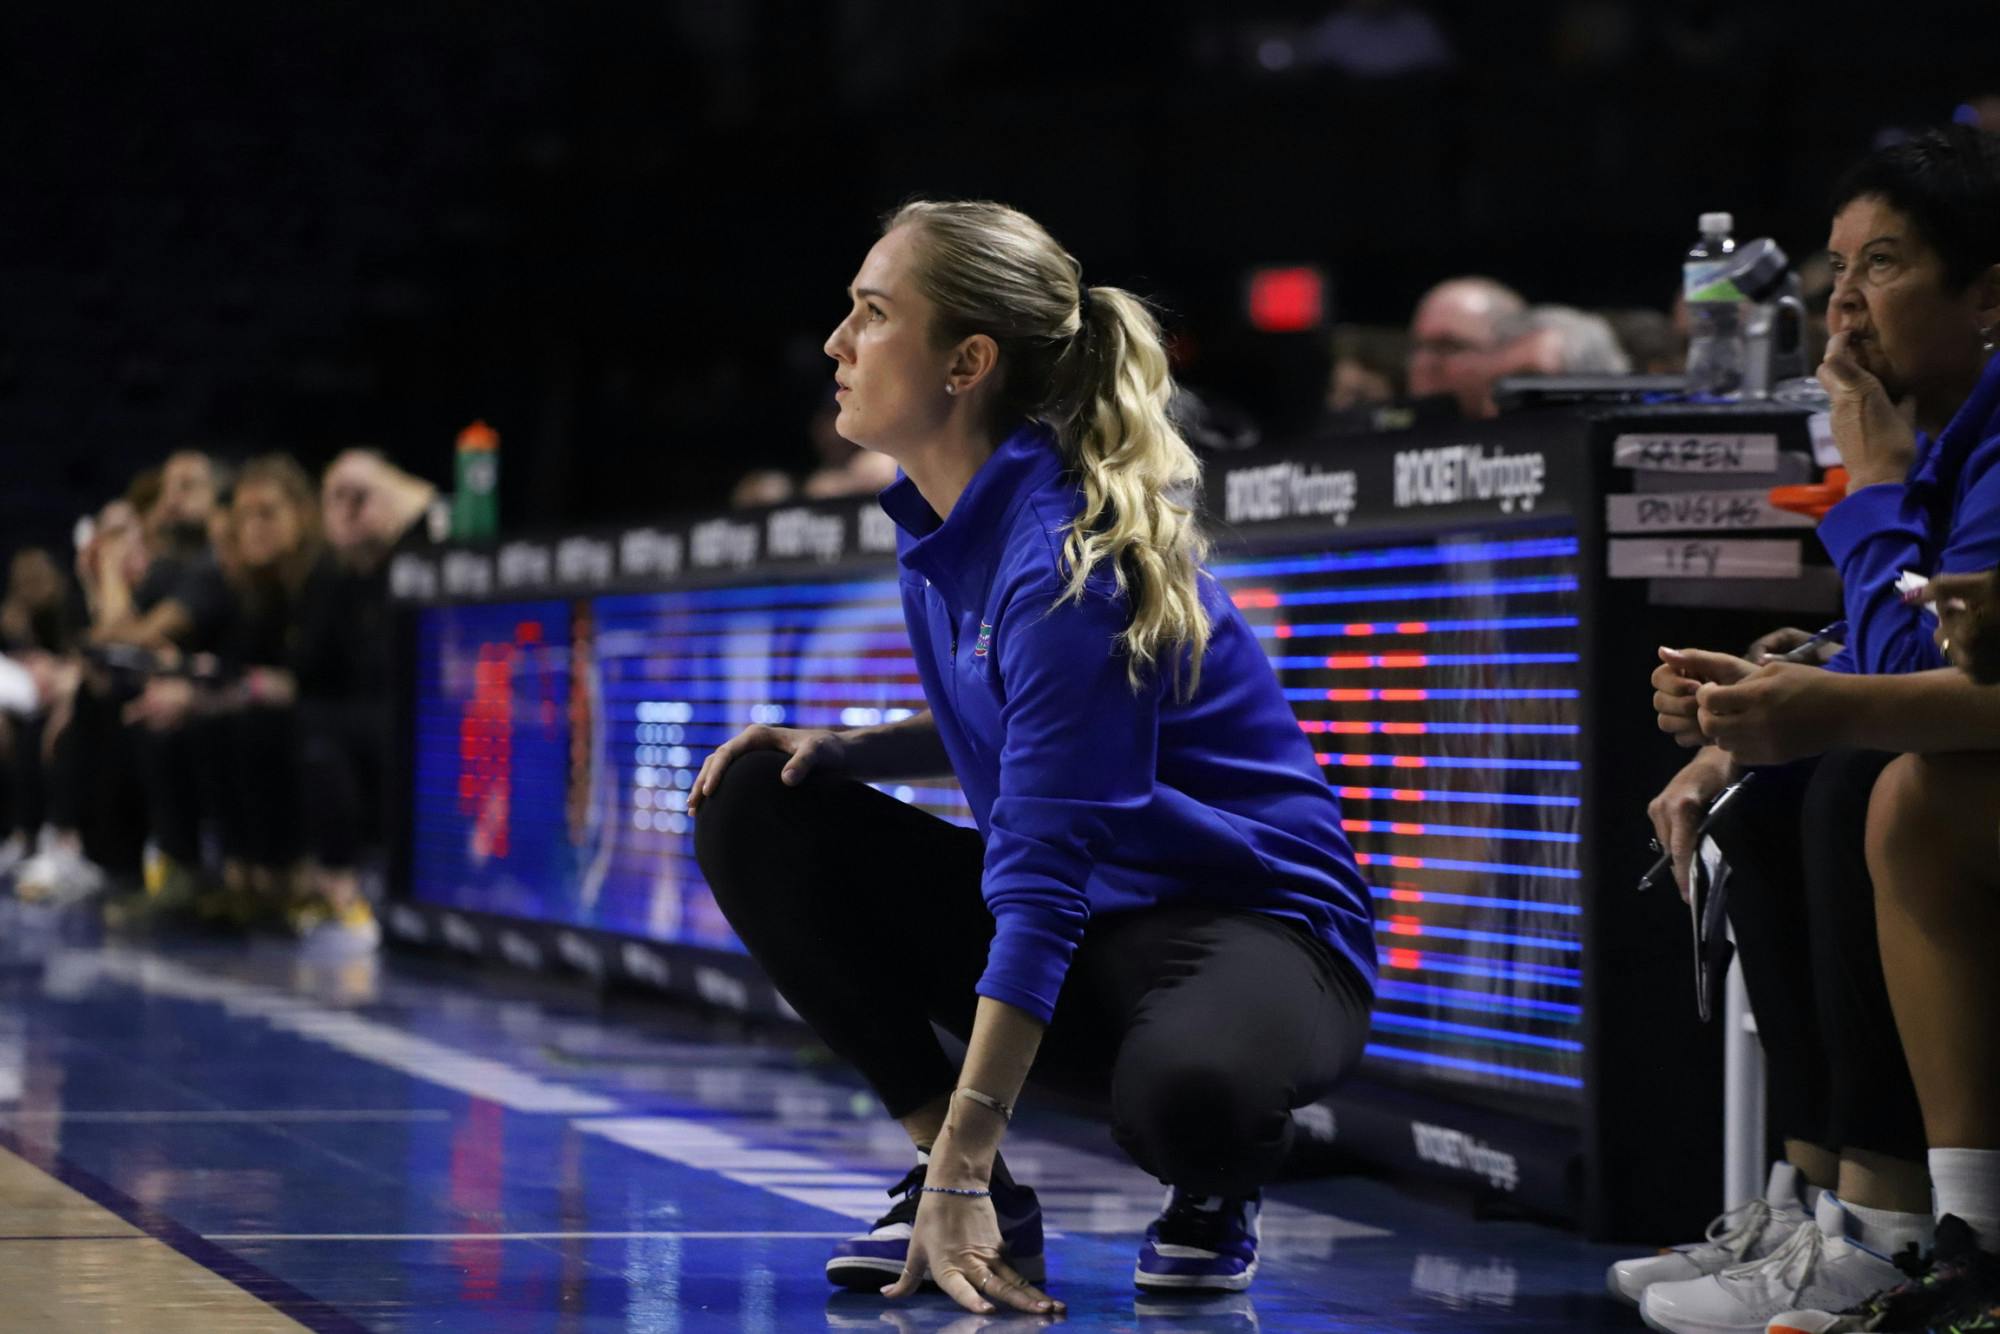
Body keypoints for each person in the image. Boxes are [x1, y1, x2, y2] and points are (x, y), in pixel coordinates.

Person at [689, 199, 1377, 1315]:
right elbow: (1027, 728)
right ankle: (974, 1193)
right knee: (757, 798)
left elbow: (1045, 872)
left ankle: (1203, 1186)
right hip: (1096, 927)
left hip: (1250, 924)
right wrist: (848, 749)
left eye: (870, 312)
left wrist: (971, 1138)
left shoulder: (1066, 559)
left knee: (1190, 1101)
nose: (834, 343)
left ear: (966, 360)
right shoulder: (938, 521)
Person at [1629, 125, 2000, 1334]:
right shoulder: (1943, 430)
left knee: (1859, 782)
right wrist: (1744, 712)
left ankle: (1901, 1228)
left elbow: (1919, 671)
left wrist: (1873, 480)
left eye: (1881, 267)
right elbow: (1893, 655)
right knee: (1769, 786)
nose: (1839, 308)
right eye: (1830, 271)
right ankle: (1823, 1202)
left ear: (1986, 296)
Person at [1405, 276, 1527, 418]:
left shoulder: (1543, 435)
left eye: (1447, 347)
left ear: (1510, 356)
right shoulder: (1385, 432)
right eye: (1417, 347)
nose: (1423, 364)